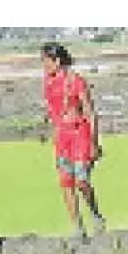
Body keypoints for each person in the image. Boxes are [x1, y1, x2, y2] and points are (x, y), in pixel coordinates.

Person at [41, 42, 106, 241]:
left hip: (80, 134)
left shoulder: (77, 81)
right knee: (66, 182)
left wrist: (95, 143)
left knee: (82, 181)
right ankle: (77, 227)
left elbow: (90, 112)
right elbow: (51, 108)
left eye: (45, 61)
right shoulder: (48, 82)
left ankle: (95, 214)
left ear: (57, 60)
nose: (44, 65)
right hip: (62, 137)